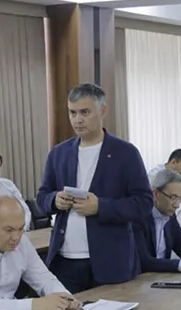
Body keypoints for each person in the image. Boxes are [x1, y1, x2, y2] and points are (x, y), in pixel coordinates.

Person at [36, 83, 151, 294]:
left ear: (102, 110)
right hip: (65, 259)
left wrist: (101, 207)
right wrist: (55, 200)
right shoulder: (59, 153)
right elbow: (42, 197)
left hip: (110, 261)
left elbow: (143, 203)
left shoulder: (125, 153)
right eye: (72, 113)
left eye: (85, 112)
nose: (77, 120)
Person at [134, 169, 181, 273]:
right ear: (155, 194)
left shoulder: (170, 215)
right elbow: (144, 261)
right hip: (139, 279)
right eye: (173, 197)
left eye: (180, 198)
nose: (177, 205)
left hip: (161, 278)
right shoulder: (139, 217)